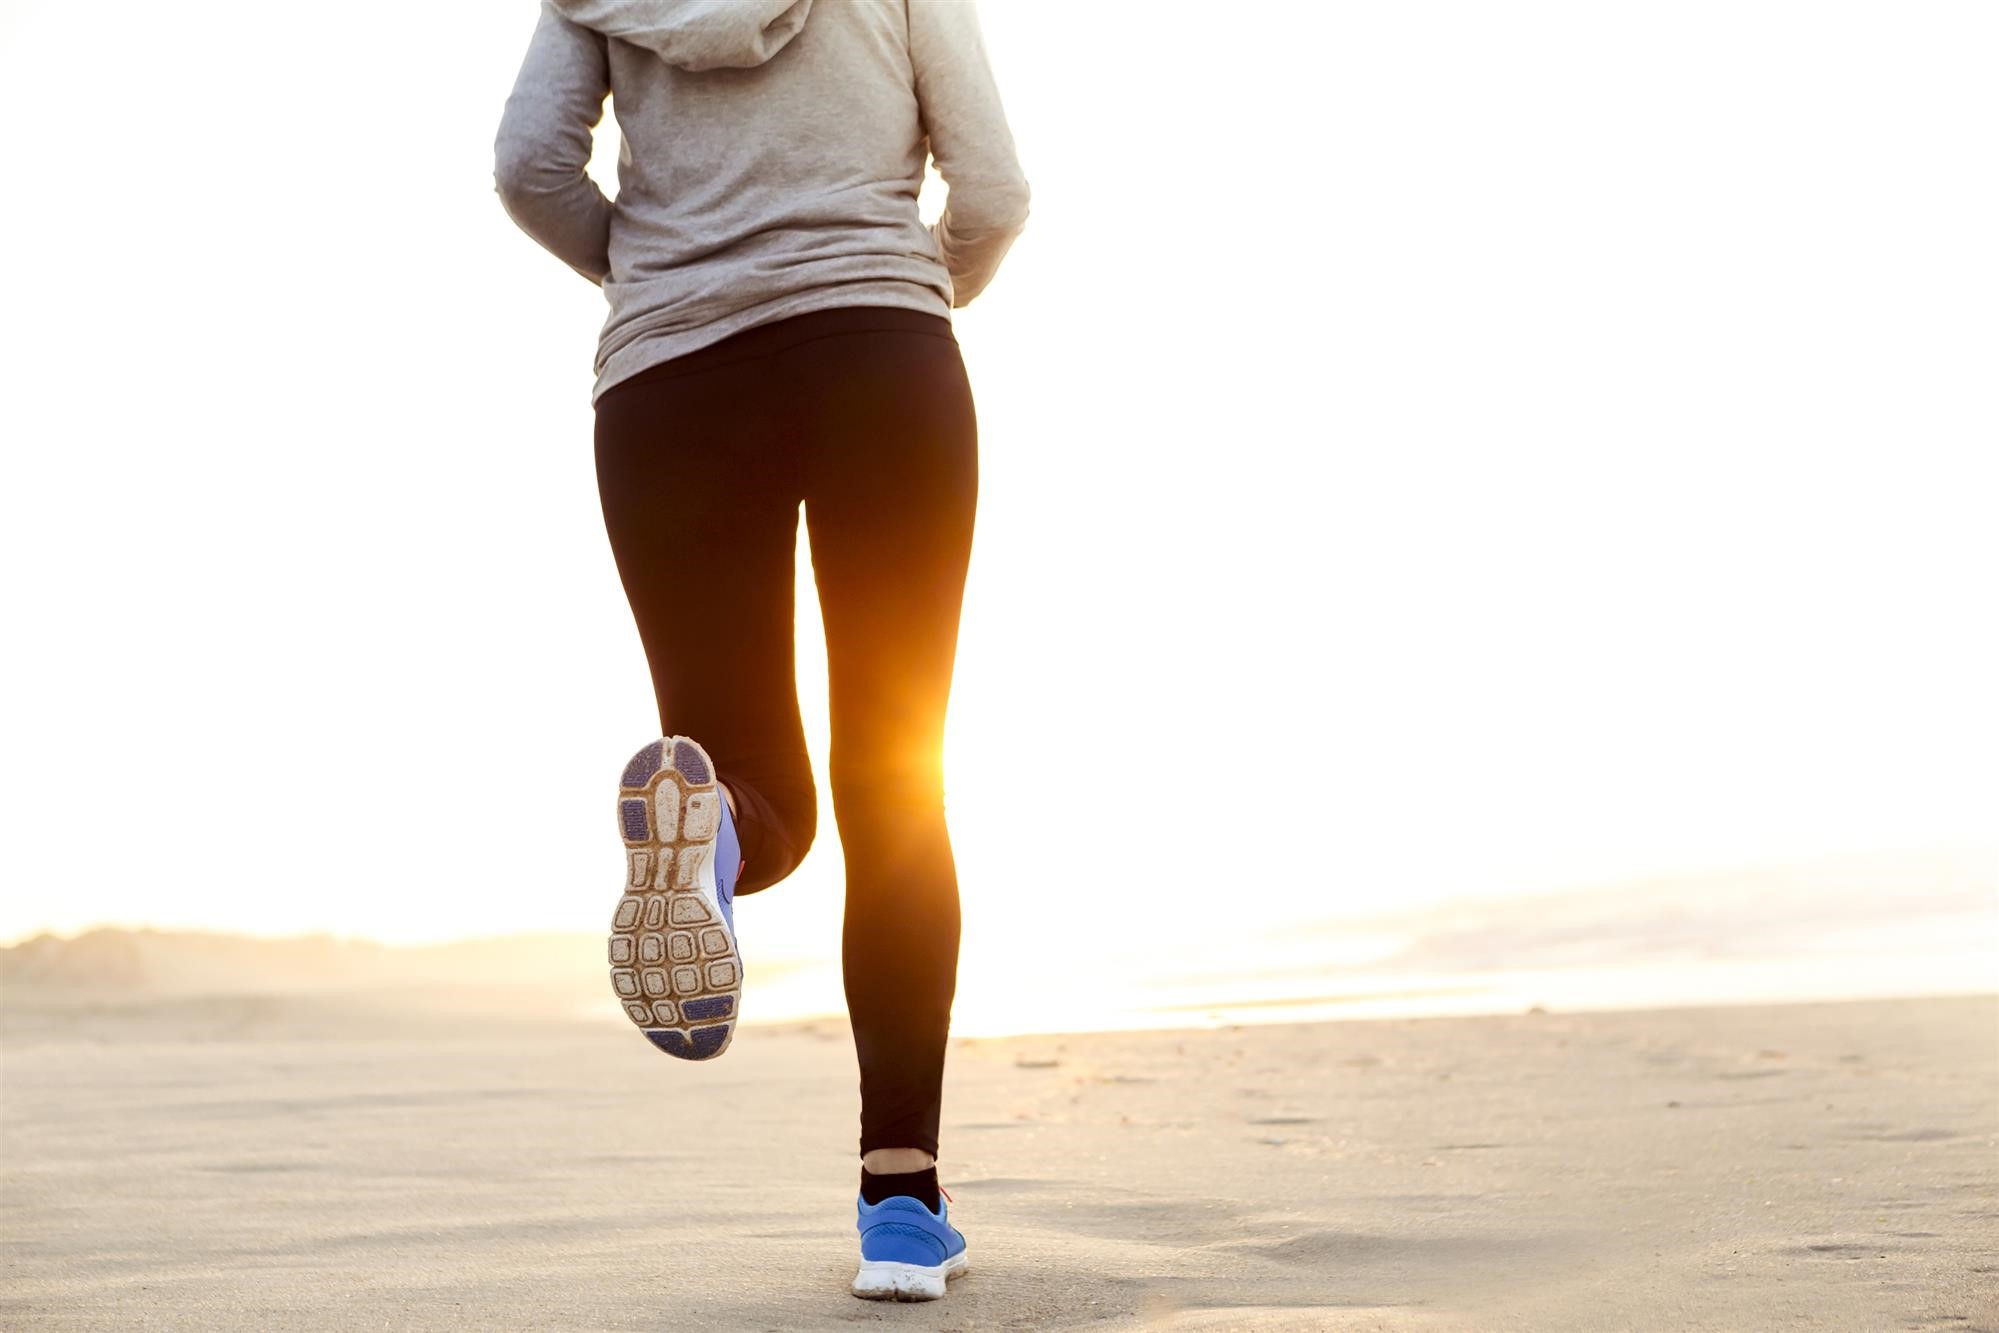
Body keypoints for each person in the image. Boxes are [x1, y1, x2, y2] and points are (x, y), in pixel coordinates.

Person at [492, 0, 1028, 1303]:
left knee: (752, 774)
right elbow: (995, 187)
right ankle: (901, 1204)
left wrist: (661, 273)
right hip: (879, 363)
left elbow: (528, 166)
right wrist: (903, 279)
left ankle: (718, 818)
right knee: (897, 784)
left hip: (669, 385)